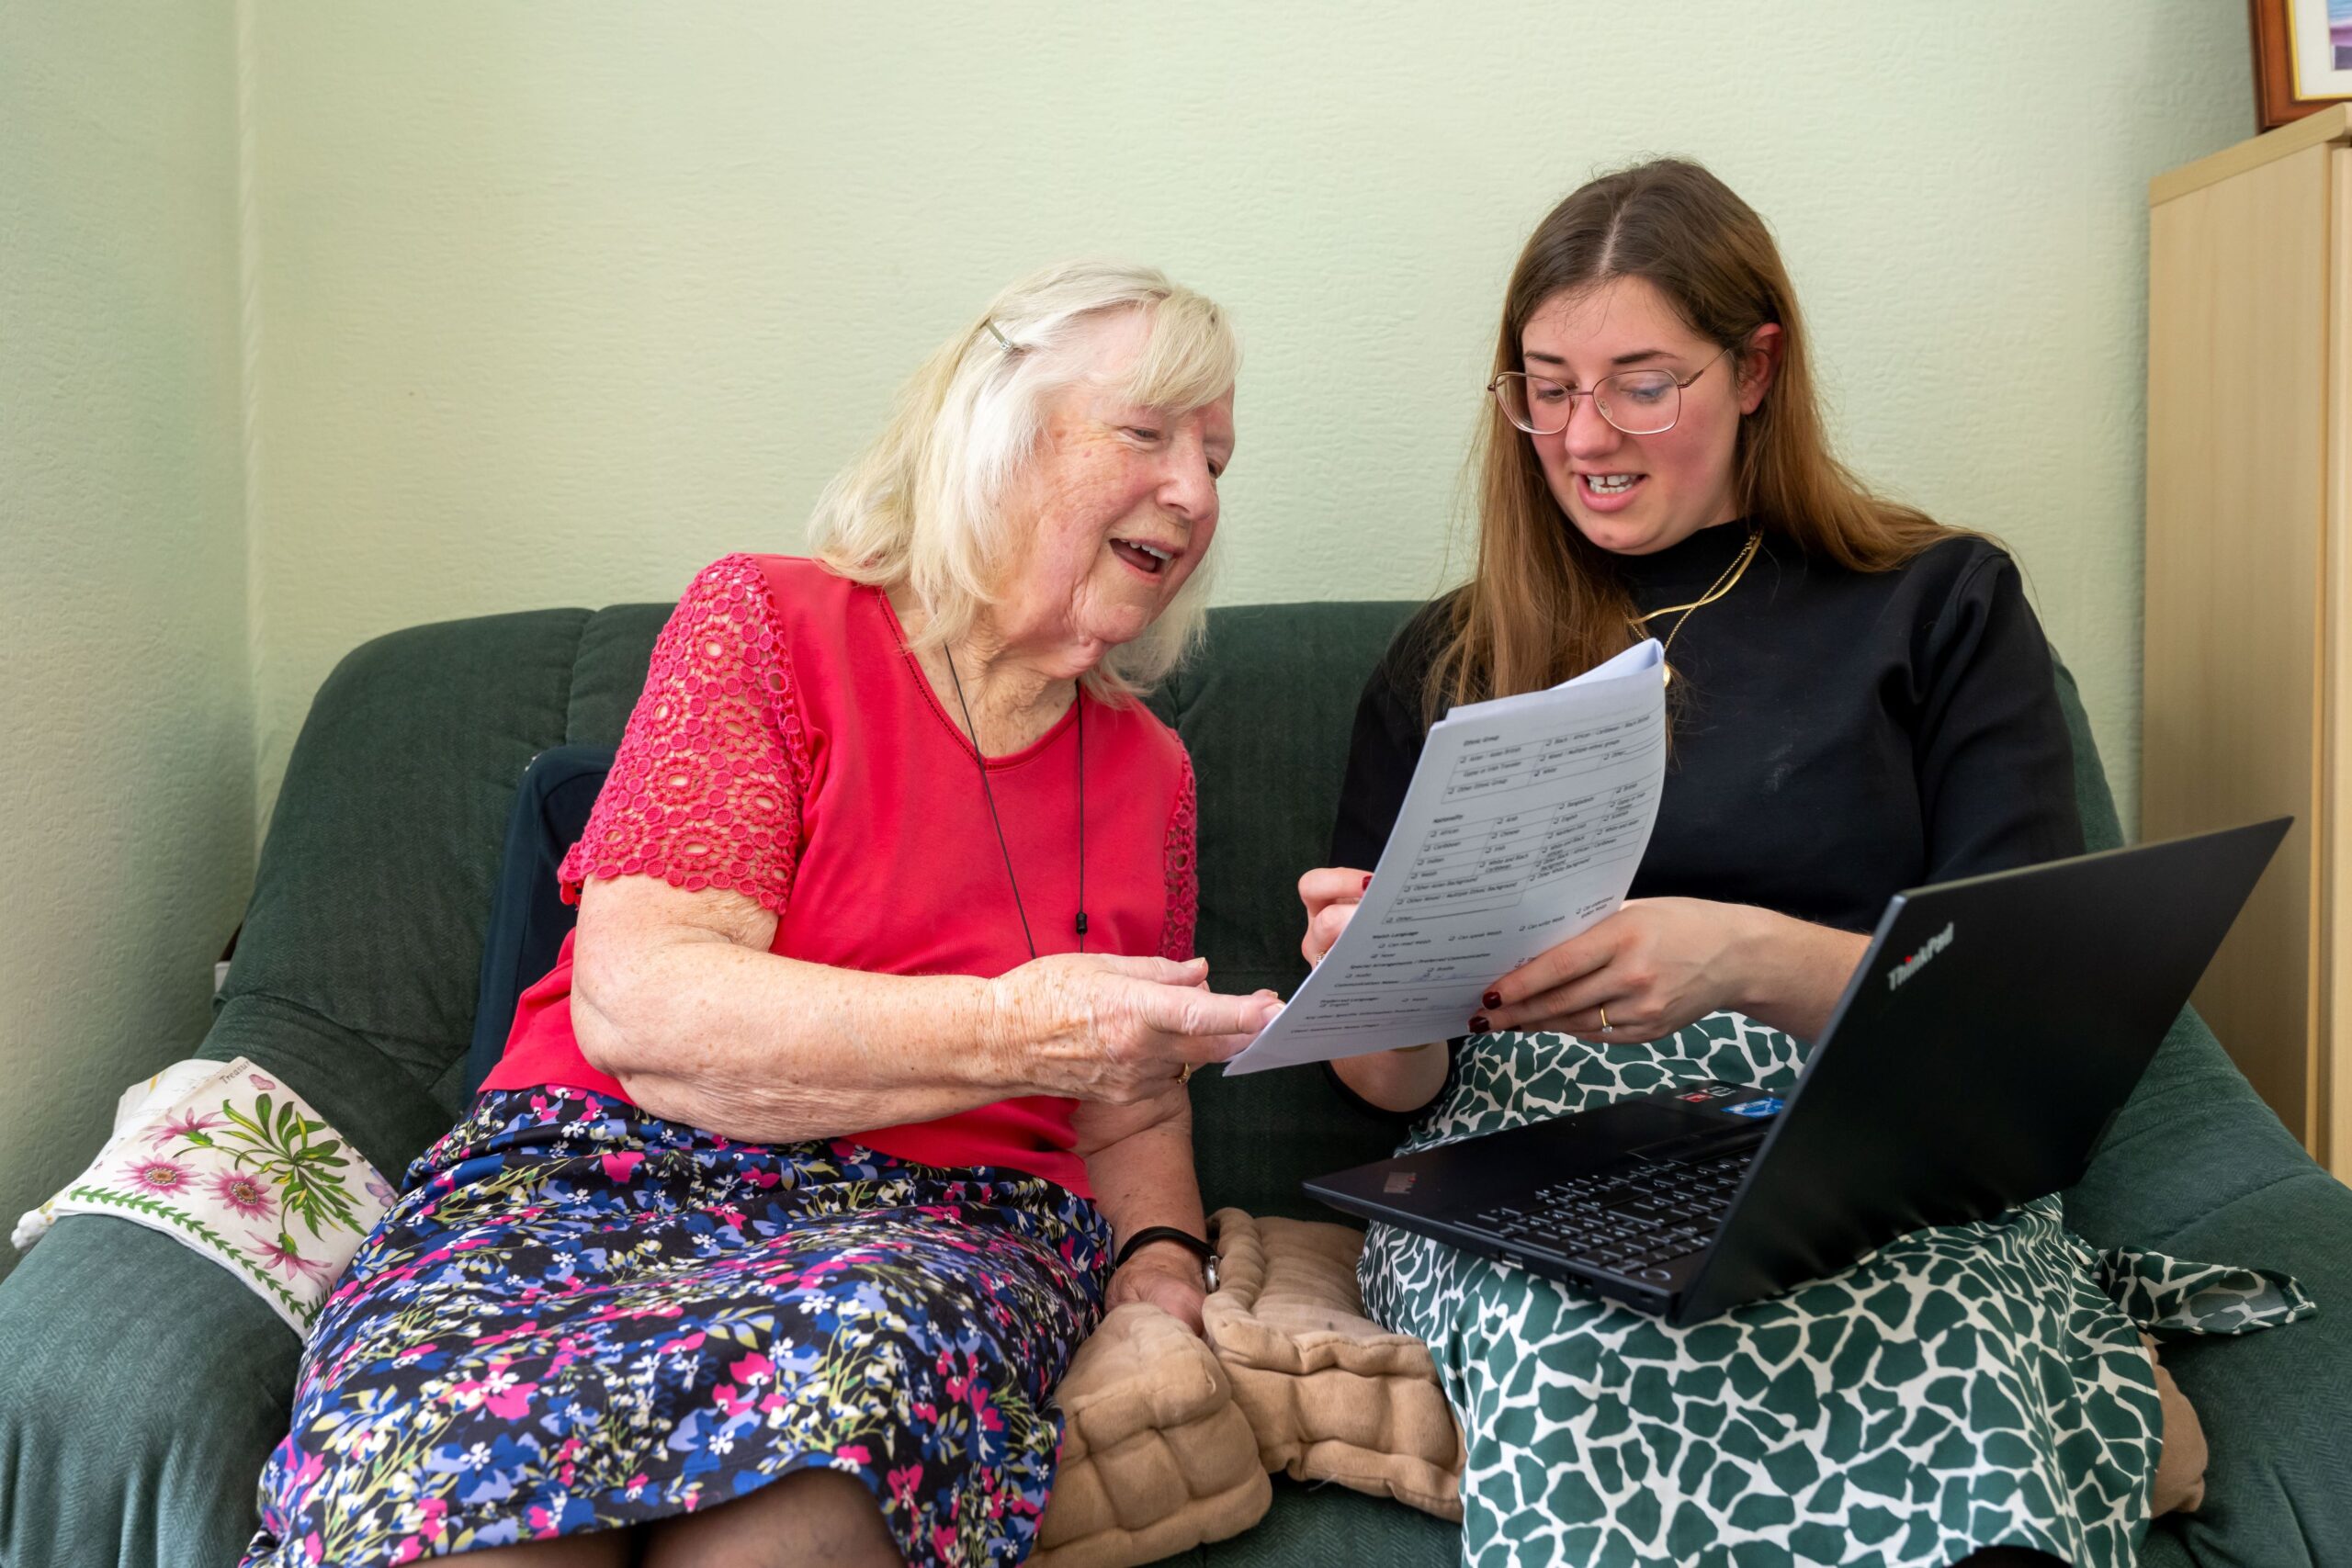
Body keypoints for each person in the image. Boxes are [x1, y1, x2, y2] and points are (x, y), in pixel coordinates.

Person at [1296, 160, 2308, 1568]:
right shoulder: (1446, 663)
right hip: (1521, 1169)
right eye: (1544, 383)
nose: (1583, 432)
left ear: (1756, 365)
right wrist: (1376, 984)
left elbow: (2022, 1019)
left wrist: (1742, 958)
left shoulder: (1941, 607)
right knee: (1582, 1345)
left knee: (1941, 1322)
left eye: (1644, 381)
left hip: (1864, 1142)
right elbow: (1393, 1091)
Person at [242, 261, 1280, 1568]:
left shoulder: (1150, 774)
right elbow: (646, 1001)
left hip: (937, 1227)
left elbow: (1130, 1100)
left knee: (805, 1501)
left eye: (1217, 458)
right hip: (594, 1174)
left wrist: (1163, 1270)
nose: (1194, 492)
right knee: (451, 1503)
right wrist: (1013, 1027)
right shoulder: (770, 623)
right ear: (992, 433)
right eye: (1147, 435)